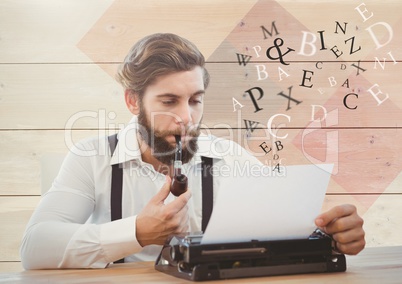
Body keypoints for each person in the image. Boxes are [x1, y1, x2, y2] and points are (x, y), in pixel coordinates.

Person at [20, 33, 365, 269]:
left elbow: (285, 233)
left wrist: (331, 238)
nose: (187, 117)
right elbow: (35, 248)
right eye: (169, 101)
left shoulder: (230, 158)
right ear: (132, 100)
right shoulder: (90, 157)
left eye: (195, 101)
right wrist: (136, 233)